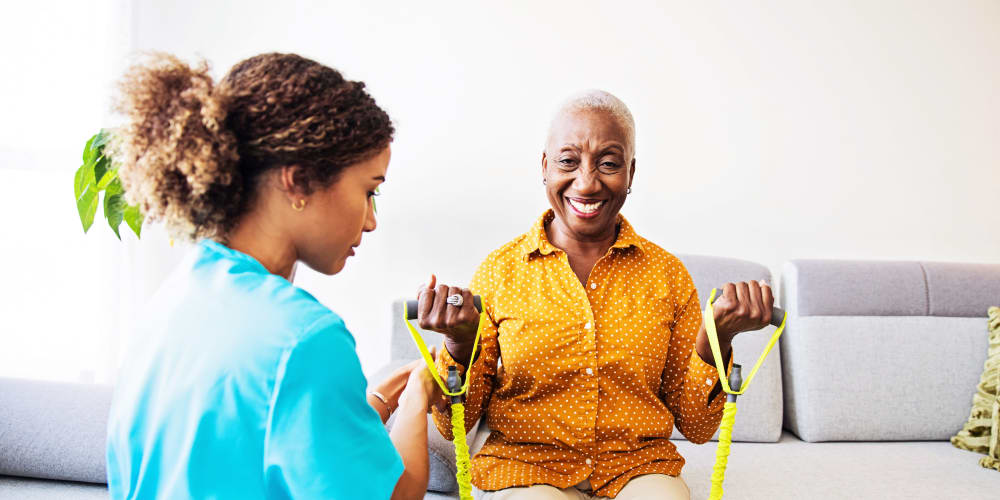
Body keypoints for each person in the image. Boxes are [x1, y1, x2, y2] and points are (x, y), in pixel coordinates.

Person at [105, 52, 439, 500]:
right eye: (368, 191)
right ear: (298, 181)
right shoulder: (305, 337)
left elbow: (251, 454)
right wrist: (418, 396)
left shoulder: (171, 301)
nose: (370, 220)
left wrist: (373, 404)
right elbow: (395, 494)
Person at [415, 90, 775, 500]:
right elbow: (454, 427)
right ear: (545, 167)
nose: (587, 183)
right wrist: (460, 343)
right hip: (527, 468)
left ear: (631, 173)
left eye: (608, 163)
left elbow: (697, 427)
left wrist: (718, 339)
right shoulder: (499, 273)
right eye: (568, 161)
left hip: (637, 467)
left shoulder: (667, 275)